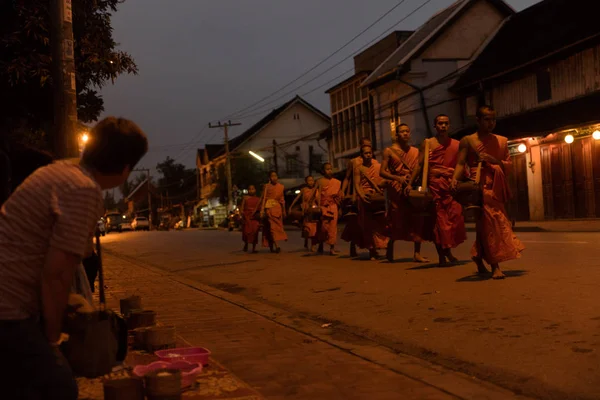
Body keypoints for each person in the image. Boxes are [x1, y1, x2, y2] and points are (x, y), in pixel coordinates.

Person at [0, 117, 148, 399]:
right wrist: (54, 339)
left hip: (12, 303)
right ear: (126, 168)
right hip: (7, 309)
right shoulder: (82, 189)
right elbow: (56, 274)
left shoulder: (60, 171)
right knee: (58, 386)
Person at [451, 105, 524, 279]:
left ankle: (478, 256)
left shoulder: (502, 141)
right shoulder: (468, 141)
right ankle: (495, 266)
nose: (491, 123)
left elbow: (507, 166)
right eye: (486, 119)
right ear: (477, 120)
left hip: (495, 187)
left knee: (486, 227)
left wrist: (494, 160)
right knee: (490, 224)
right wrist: (455, 179)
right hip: (478, 187)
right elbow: (461, 164)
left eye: (493, 119)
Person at [408, 115, 466, 266]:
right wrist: (410, 183)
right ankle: (442, 255)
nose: (443, 126)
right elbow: (420, 165)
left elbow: (460, 165)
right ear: (435, 126)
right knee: (439, 223)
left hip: (450, 186)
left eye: (446, 123)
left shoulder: (456, 144)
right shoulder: (428, 143)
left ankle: (447, 251)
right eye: (440, 123)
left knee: (456, 215)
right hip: (434, 186)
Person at [380, 123, 431, 263]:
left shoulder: (415, 151)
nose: (405, 134)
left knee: (417, 217)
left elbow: (419, 168)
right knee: (397, 218)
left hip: (412, 185)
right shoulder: (389, 151)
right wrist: (397, 178)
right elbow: (382, 171)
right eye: (402, 132)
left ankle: (417, 253)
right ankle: (390, 245)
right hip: (396, 187)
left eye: (407, 131)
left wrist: (411, 181)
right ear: (396, 135)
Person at [354, 145, 389, 260]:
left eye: (370, 153)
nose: (368, 155)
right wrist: (362, 196)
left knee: (382, 224)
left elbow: (383, 181)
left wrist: (382, 186)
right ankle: (372, 251)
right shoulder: (359, 168)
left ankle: (384, 247)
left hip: (377, 197)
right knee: (368, 226)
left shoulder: (378, 166)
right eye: (366, 153)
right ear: (361, 155)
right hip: (365, 198)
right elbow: (357, 184)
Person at [341, 137, 372, 257]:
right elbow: (347, 178)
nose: (367, 148)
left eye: (369, 146)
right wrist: (342, 191)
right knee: (356, 223)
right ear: (360, 146)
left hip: (369, 194)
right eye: (365, 145)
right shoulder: (354, 162)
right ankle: (353, 246)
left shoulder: (372, 162)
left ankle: (371, 248)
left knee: (369, 222)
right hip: (356, 194)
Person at [316, 163, 342, 255]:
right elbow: (317, 195)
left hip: (334, 206)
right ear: (323, 171)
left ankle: (332, 248)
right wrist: (318, 206)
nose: (329, 171)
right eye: (327, 169)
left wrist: (339, 208)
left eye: (331, 169)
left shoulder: (337, 182)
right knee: (323, 227)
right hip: (324, 207)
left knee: (333, 228)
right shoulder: (319, 181)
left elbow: (339, 197)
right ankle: (321, 244)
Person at [289, 176, 319, 252]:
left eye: (312, 180)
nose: (311, 182)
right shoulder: (304, 190)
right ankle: (306, 241)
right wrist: (291, 207)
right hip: (305, 210)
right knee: (306, 228)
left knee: (313, 228)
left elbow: (319, 200)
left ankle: (313, 245)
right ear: (306, 182)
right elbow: (298, 198)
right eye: (309, 180)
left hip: (313, 210)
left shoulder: (316, 190)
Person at [261, 170, 287, 253]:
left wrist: (284, 210)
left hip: (278, 209)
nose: (274, 178)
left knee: (275, 228)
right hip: (269, 209)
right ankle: (277, 246)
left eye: (275, 176)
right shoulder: (266, 186)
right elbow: (264, 198)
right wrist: (262, 210)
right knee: (272, 228)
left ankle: (272, 246)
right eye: (272, 176)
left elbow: (282, 200)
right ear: (269, 178)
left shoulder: (281, 187)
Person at [240, 185, 261, 253]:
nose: (251, 190)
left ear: (255, 190)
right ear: (248, 190)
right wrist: (242, 214)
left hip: (255, 217)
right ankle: (246, 244)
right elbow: (242, 208)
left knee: (255, 232)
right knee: (246, 232)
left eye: (253, 189)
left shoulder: (258, 199)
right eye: (250, 189)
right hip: (247, 217)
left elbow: (260, 209)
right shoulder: (245, 198)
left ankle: (253, 248)